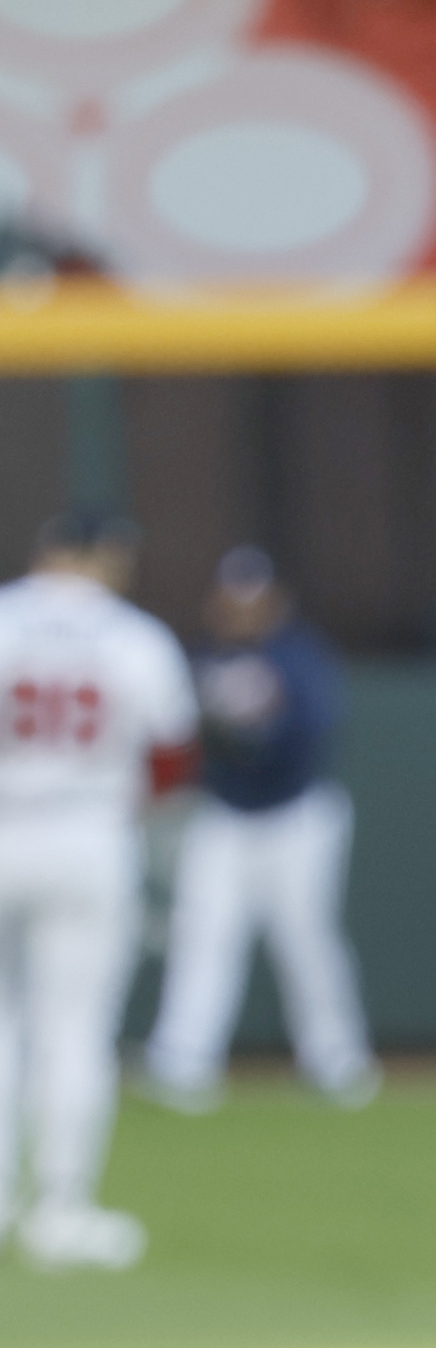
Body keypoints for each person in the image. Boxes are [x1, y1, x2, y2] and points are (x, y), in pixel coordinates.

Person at [0, 511, 198, 1271]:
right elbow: (174, 759)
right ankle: (60, 1209)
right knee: (74, 1032)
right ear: (105, 559)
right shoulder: (133, 637)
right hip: (86, 831)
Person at [142, 550, 376, 1117]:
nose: (241, 609)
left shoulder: (299, 654)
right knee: (204, 935)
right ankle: (182, 1061)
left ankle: (338, 1060)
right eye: (232, 597)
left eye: (252, 597)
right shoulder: (201, 653)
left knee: (305, 937)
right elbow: (175, 728)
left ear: (273, 600)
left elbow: (308, 732)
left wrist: (243, 738)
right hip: (223, 815)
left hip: (296, 813)